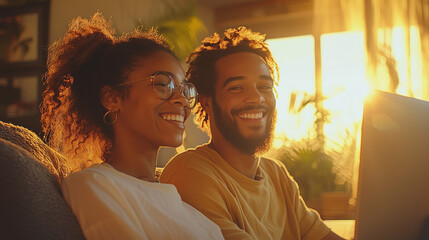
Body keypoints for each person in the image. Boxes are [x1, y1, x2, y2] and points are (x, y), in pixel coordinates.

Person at [40, 13, 224, 240]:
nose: (182, 99)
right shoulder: (94, 185)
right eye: (162, 84)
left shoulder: (183, 203)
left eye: (185, 89)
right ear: (112, 98)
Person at [160, 27, 345, 240]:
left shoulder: (276, 174)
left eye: (264, 86)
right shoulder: (191, 175)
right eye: (237, 88)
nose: (256, 98)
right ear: (207, 102)